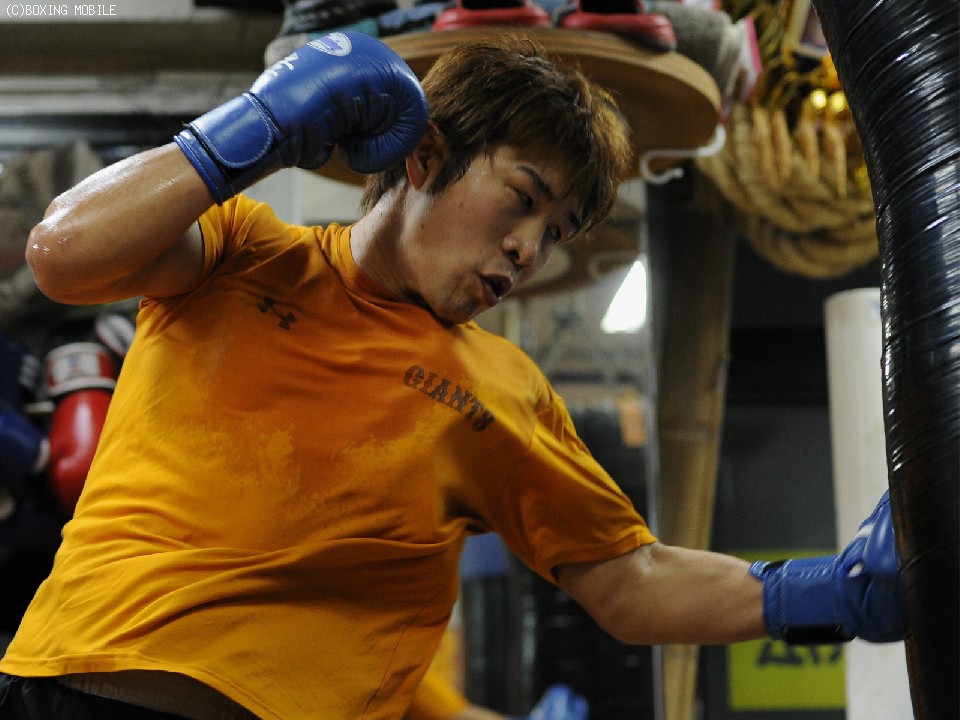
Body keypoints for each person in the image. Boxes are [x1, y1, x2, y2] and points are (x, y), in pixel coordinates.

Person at [0, 30, 905, 720]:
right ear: (424, 156)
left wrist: (832, 592)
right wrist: (261, 125)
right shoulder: (243, 251)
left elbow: (632, 582)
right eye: (522, 199)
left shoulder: (501, 390)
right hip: (60, 687)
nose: (529, 249)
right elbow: (62, 256)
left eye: (555, 231)